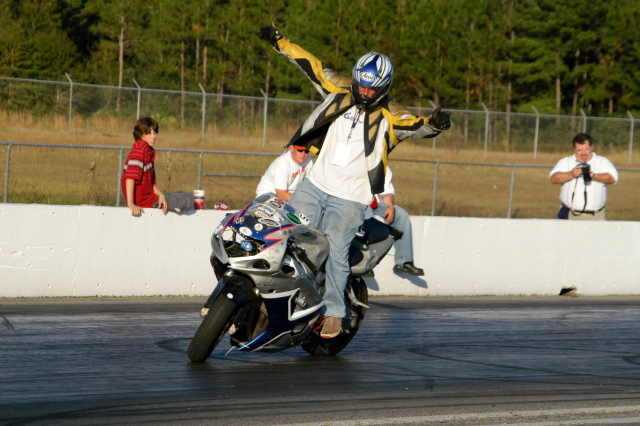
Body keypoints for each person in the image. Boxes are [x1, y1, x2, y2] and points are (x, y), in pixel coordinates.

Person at [259, 25, 451, 338]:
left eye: (371, 89)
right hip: (314, 185)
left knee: (337, 253)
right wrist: (280, 41)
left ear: (384, 87)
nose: (363, 92)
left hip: (350, 198)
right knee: (282, 234)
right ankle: (266, 300)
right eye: (360, 86)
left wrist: (435, 125)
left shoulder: (393, 114)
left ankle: (335, 312)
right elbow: (312, 64)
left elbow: (417, 126)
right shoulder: (341, 88)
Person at [121, 117, 194, 217]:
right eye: (149, 133)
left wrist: (161, 195)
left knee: (184, 195)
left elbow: (150, 185)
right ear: (141, 134)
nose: (153, 136)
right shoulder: (140, 148)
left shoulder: (148, 150)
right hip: (145, 202)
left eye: (155, 133)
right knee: (189, 200)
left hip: (150, 197)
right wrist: (131, 204)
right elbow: (130, 177)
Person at [368, 167, 424, 276]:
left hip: (373, 202)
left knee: (401, 215)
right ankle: (363, 264)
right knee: (366, 215)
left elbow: (386, 191)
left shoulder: (381, 165)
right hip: (355, 201)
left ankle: (404, 261)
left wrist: (390, 206)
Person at [549, 133, 618, 220]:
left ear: (592, 147)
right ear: (574, 150)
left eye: (586, 149)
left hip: (595, 216)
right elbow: (553, 178)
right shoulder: (565, 162)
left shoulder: (602, 162)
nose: (583, 153)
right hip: (570, 215)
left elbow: (613, 178)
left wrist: (594, 176)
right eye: (579, 150)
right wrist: (571, 174)